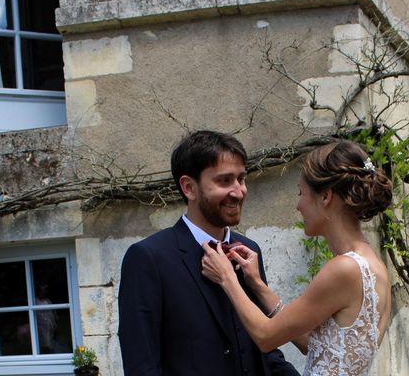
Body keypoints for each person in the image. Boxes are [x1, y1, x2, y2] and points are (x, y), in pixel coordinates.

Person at [202, 140, 394, 376]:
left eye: (301, 193)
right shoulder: (373, 266)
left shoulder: (345, 269)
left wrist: (226, 277)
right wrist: (258, 285)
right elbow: (312, 345)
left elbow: (265, 337)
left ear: (326, 197)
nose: (298, 205)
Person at [118, 130, 300, 376]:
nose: (238, 191)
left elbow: (265, 350)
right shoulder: (148, 258)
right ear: (189, 188)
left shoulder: (249, 251)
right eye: (224, 181)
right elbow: (142, 365)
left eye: (241, 179)